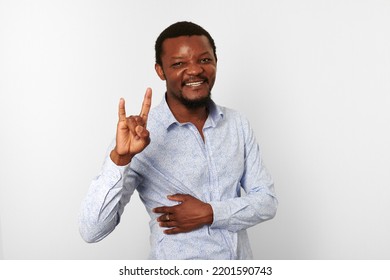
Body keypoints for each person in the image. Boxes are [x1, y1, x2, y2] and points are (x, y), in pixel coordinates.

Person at [79, 21, 277, 259]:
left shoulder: (237, 124)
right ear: (160, 71)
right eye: (179, 63)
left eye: (204, 60)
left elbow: (267, 202)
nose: (194, 70)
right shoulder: (138, 135)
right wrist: (121, 158)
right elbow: (92, 230)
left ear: (215, 62)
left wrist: (210, 213)